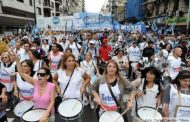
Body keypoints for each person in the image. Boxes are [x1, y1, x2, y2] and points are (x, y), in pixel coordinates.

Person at [14, 55, 55, 122]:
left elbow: (52, 102)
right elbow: (21, 73)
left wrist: (45, 114)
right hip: (36, 112)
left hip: (48, 113)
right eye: (38, 74)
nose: (39, 75)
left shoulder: (51, 86)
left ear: (47, 77)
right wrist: (17, 60)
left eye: (42, 74)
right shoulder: (35, 83)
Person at [53, 52, 90, 121]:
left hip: (78, 99)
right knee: (68, 120)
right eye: (69, 61)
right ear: (65, 63)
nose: (72, 62)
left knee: (78, 119)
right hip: (65, 100)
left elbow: (88, 78)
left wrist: (83, 85)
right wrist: (57, 87)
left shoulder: (79, 71)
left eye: (73, 60)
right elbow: (53, 80)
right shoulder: (60, 72)